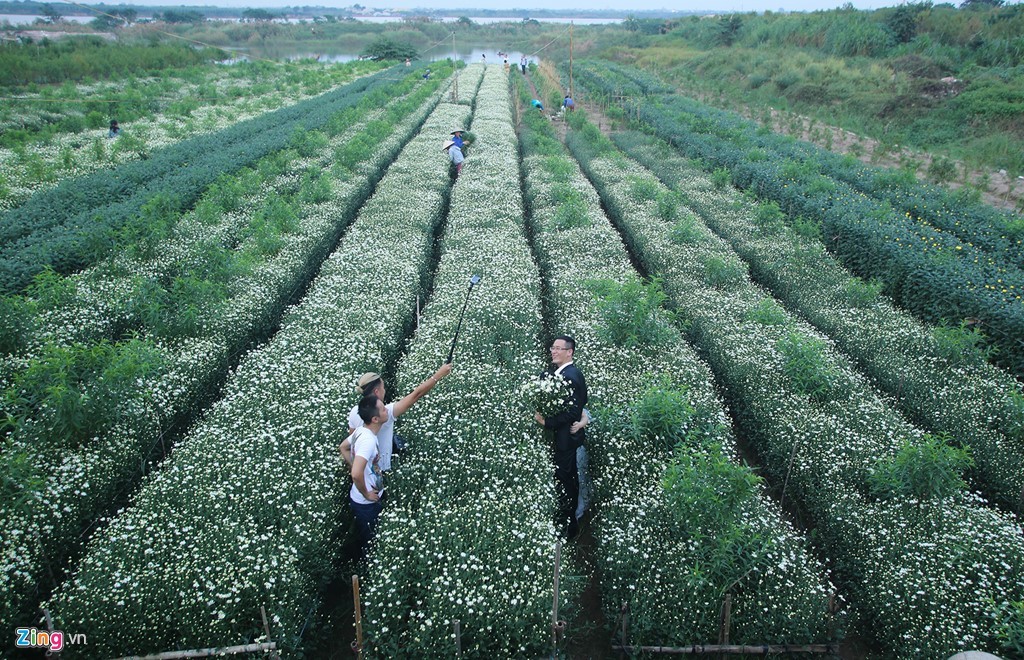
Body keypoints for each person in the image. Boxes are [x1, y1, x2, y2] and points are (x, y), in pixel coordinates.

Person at [341, 362, 452, 473]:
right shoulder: (384, 414)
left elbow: (351, 445)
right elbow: (416, 395)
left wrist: (356, 469)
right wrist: (438, 375)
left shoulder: (355, 411)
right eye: (383, 388)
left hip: (365, 472)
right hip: (380, 473)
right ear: (376, 392)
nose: (384, 391)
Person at [534, 335, 588, 540]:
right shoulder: (557, 372)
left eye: (558, 348)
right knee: (560, 478)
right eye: (552, 348)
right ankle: (561, 516)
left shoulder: (572, 375)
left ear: (569, 352)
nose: (553, 351)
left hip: (565, 440)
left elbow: (574, 412)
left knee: (566, 479)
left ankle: (569, 525)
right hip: (559, 438)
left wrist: (548, 422)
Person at [347, 394, 387, 561]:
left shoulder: (360, 431)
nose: (387, 410)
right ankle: (366, 567)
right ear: (375, 419)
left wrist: (356, 465)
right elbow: (356, 474)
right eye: (384, 409)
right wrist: (366, 494)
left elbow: (343, 447)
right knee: (370, 543)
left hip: (363, 500)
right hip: (366, 504)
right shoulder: (367, 440)